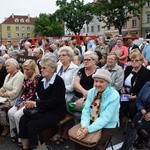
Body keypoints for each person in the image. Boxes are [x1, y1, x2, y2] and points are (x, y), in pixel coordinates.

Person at [18, 54, 67, 150]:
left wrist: (35, 103)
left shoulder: (58, 82)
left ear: (53, 69)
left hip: (55, 111)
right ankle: (25, 147)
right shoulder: (41, 79)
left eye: (44, 68)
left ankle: (40, 148)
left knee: (32, 125)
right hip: (42, 108)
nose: (41, 70)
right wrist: (28, 101)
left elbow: (54, 102)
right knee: (23, 120)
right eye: (41, 67)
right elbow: (36, 94)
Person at [76, 69, 120, 150]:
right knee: (79, 141)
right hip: (92, 119)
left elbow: (105, 118)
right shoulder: (91, 91)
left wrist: (88, 129)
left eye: (101, 82)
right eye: (96, 81)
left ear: (108, 83)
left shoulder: (114, 95)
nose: (98, 84)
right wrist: (84, 126)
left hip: (109, 125)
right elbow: (86, 111)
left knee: (96, 145)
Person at [8, 59, 40, 146]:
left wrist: (24, 103)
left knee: (17, 115)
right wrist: (20, 101)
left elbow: (34, 95)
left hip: (32, 102)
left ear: (33, 69)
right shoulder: (26, 77)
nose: (25, 71)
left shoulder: (37, 78)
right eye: (24, 69)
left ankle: (21, 139)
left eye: (27, 69)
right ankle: (13, 133)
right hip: (24, 100)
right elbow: (24, 92)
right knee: (10, 112)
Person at [120, 51, 150, 120]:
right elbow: (123, 81)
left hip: (137, 96)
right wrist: (123, 87)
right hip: (126, 93)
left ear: (141, 61)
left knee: (132, 106)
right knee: (118, 99)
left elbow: (145, 89)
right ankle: (120, 118)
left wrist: (134, 97)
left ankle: (133, 122)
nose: (134, 62)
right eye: (132, 60)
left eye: (136, 60)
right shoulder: (128, 69)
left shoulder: (146, 72)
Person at [0, 58, 24, 138]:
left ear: (14, 66)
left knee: (1, 108)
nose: (6, 67)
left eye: (8, 66)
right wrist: (0, 91)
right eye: (6, 66)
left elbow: (15, 93)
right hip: (5, 97)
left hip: (14, 100)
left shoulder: (19, 76)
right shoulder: (8, 75)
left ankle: (6, 128)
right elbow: (4, 86)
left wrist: (4, 94)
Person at [131, 81, 150, 149]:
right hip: (144, 111)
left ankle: (144, 139)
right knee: (134, 123)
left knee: (144, 131)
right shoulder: (148, 84)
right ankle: (140, 137)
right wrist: (142, 110)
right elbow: (138, 99)